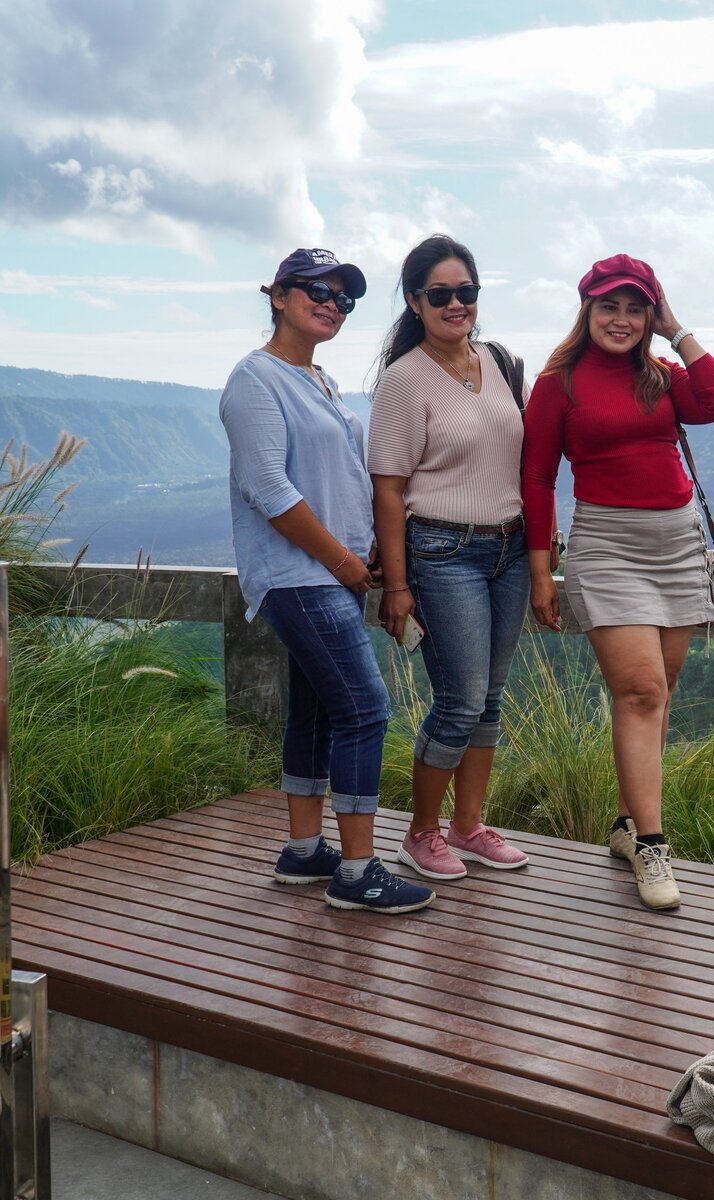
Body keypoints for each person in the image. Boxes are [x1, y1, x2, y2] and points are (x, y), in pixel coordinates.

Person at [521, 254, 714, 911]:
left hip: (676, 545)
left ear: (650, 314)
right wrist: (542, 571)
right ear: (585, 310)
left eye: (635, 307)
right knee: (641, 689)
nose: (620, 319)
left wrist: (676, 328)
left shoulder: (662, 374)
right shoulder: (558, 385)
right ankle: (651, 846)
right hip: (607, 546)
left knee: (658, 691)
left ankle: (624, 824)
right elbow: (535, 479)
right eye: (608, 306)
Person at [219, 248, 434, 915]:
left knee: (315, 709)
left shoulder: (319, 381)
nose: (332, 303)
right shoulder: (255, 379)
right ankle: (358, 871)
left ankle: (307, 851)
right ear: (278, 295)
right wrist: (345, 561)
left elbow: (339, 481)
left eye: (345, 298)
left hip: (329, 574)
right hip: (299, 576)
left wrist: (365, 553)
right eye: (317, 290)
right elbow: (266, 486)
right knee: (365, 709)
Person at [368, 234, 531, 881]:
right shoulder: (404, 381)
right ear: (415, 300)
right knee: (459, 699)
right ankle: (420, 833)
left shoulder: (500, 362)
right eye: (441, 294)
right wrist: (398, 585)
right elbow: (387, 486)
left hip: (510, 549)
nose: (456, 302)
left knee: (489, 698)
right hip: (441, 550)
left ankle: (468, 827)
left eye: (467, 291)